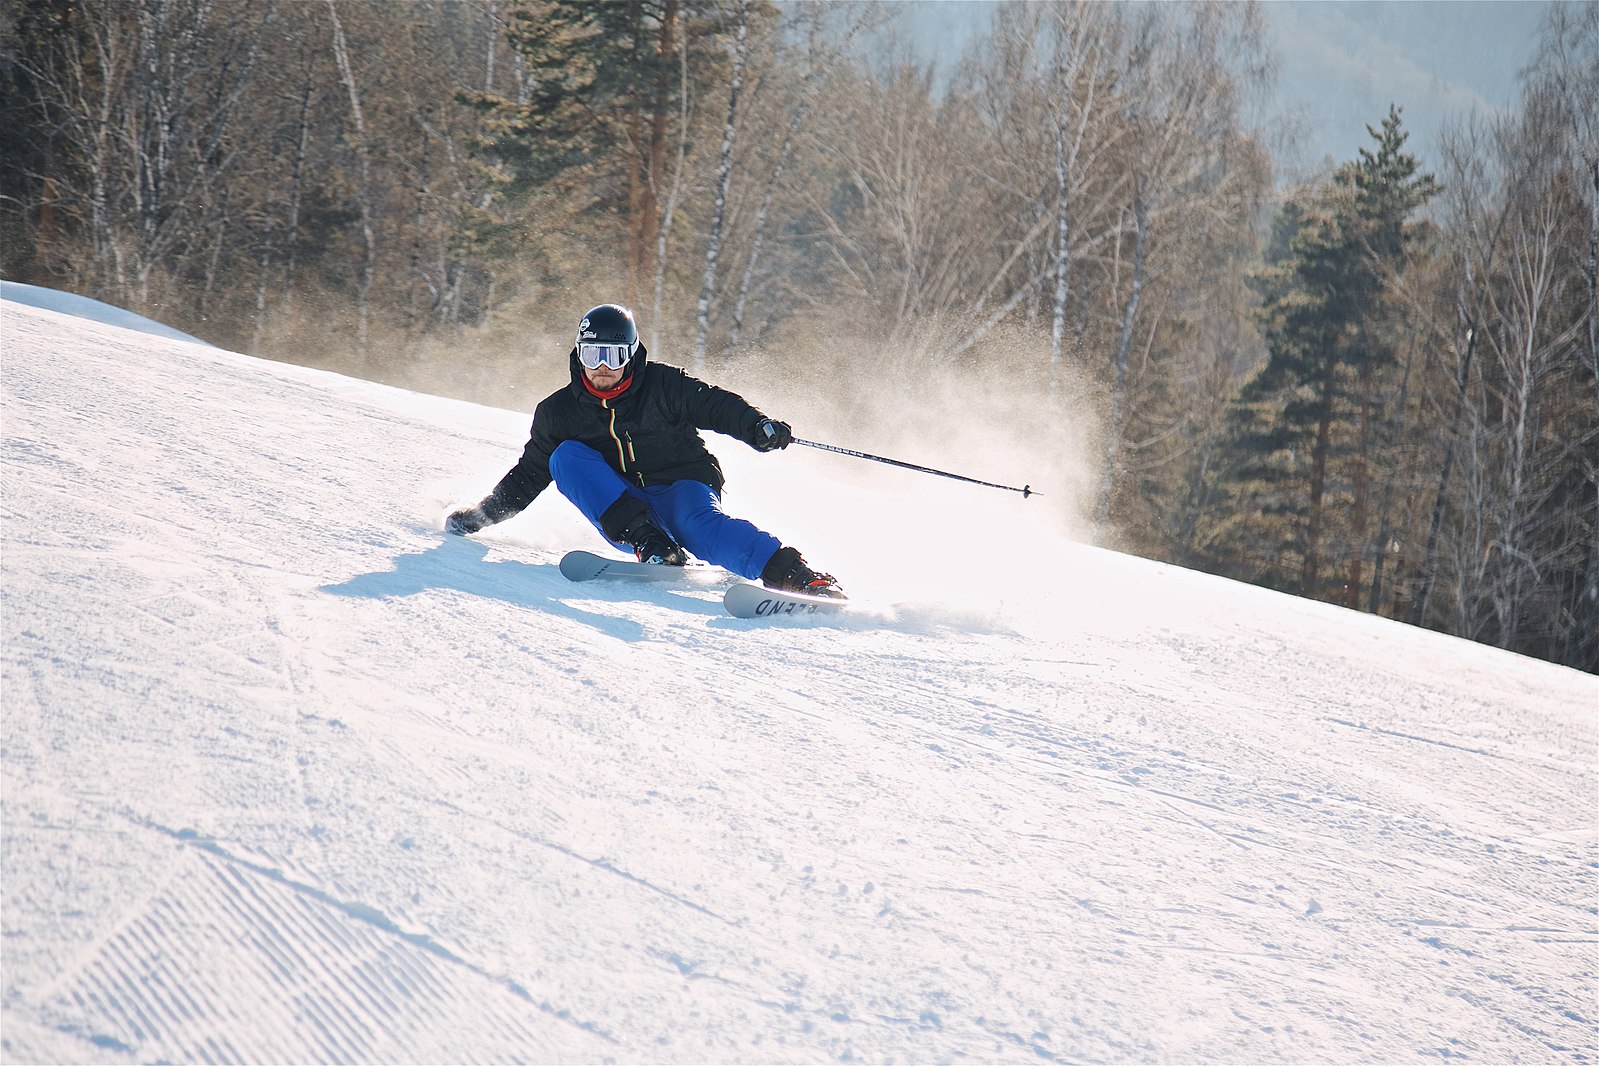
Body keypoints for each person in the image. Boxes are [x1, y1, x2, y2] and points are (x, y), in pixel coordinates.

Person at [445, 303, 845, 598]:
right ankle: (652, 545)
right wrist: (484, 514)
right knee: (564, 457)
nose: (603, 368)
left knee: (697, 525)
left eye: (614, 356)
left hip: (682, 483)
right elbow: (530, 474)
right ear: (578, 356)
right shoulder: (558, 412)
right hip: (623, 510)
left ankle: (795, 574)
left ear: (631, 355)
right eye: (593, 355)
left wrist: (757, 427)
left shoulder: (663, 385)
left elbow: (715, 405)